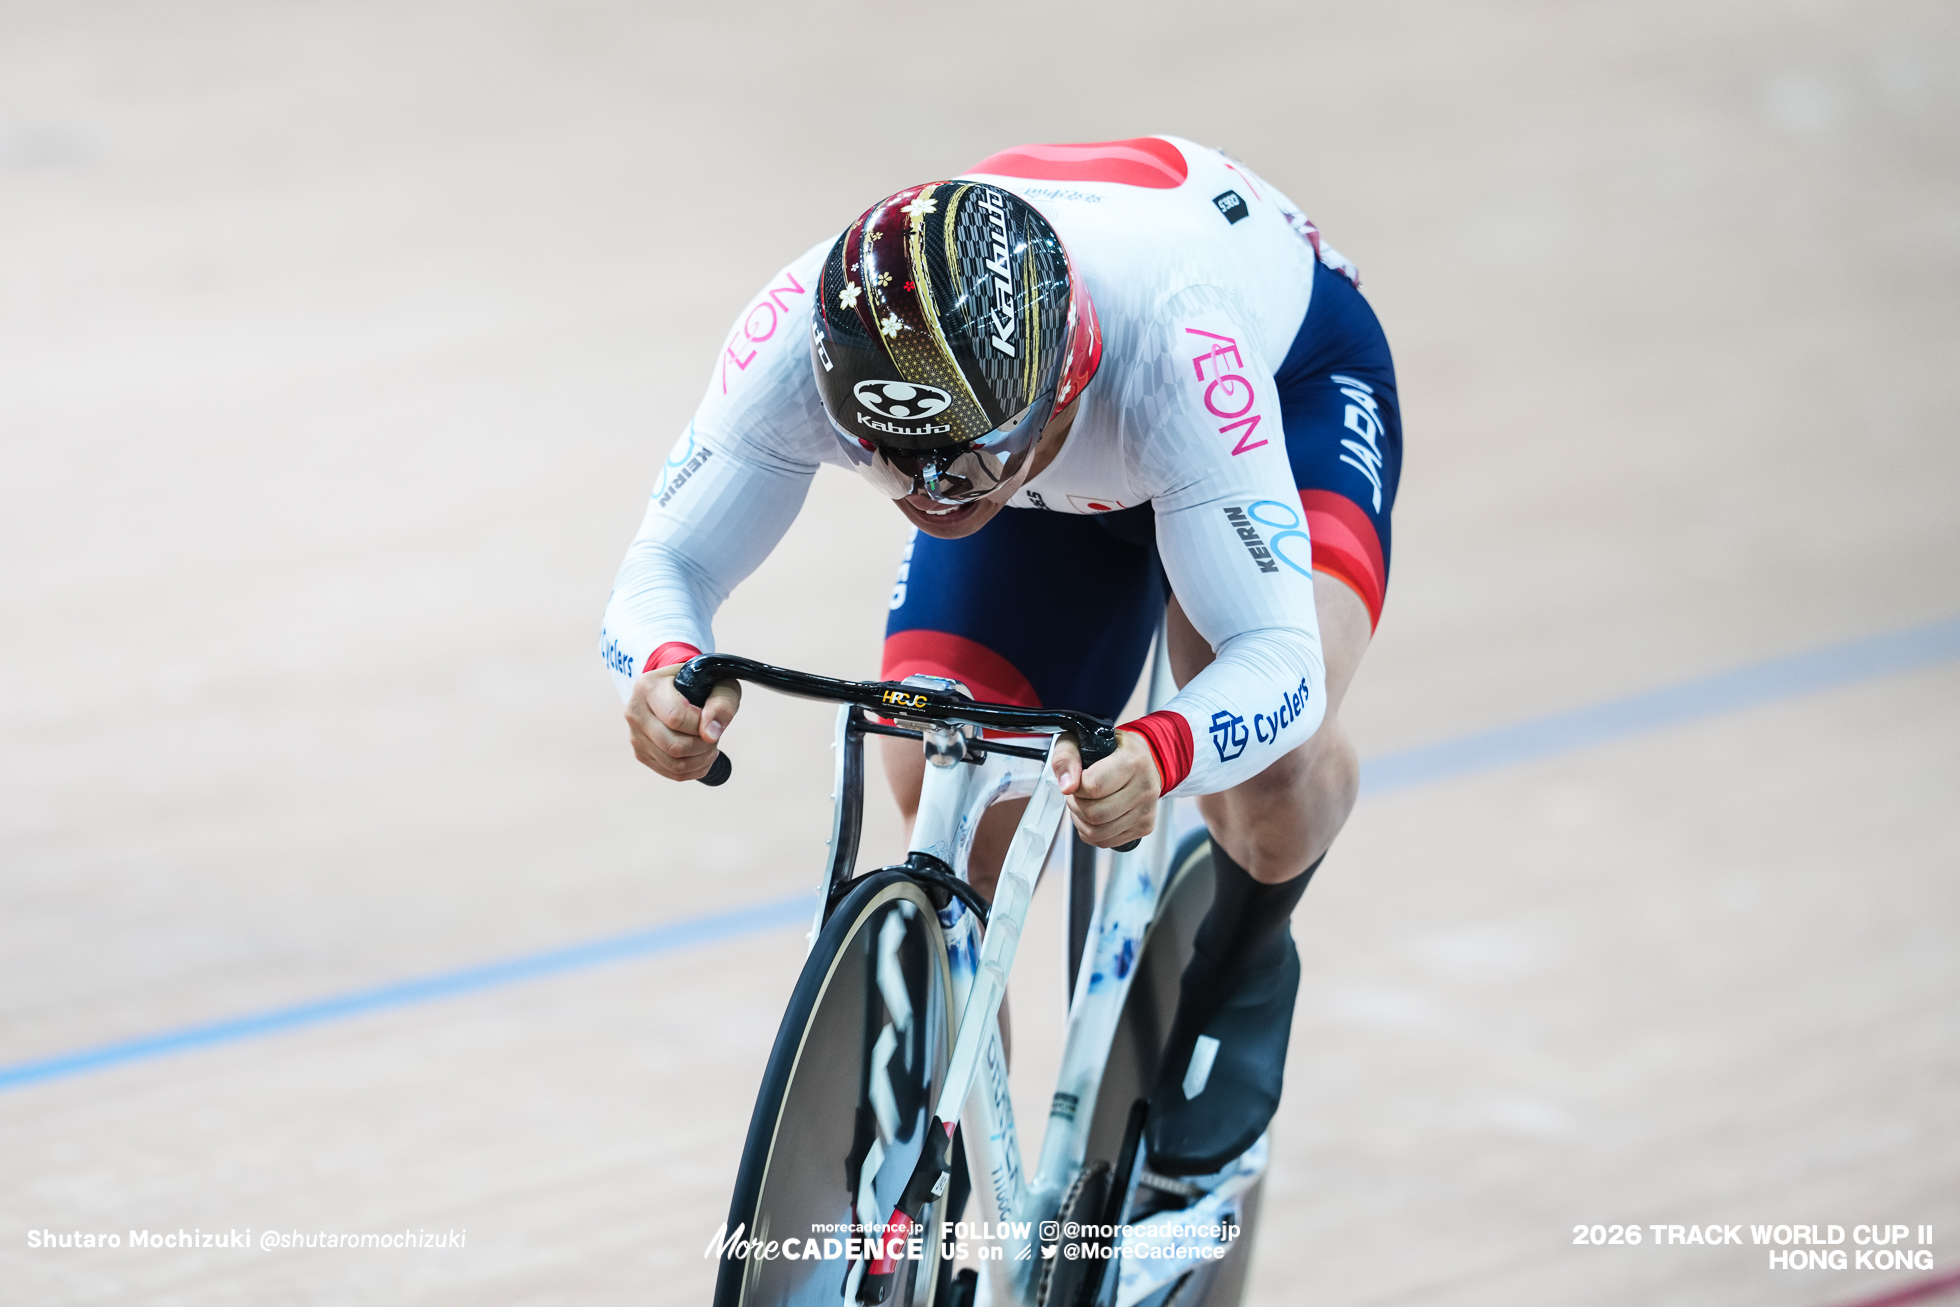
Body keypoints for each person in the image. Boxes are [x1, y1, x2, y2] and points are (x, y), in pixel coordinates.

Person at [601, 136, 1401, 1178]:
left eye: (966, 464)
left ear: (1060, 387)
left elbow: (1275, 658)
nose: (932, 498)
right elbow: (668, 554)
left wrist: (1162, 748)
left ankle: (1244, 958)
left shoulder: (1175, 342)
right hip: (1048, 454)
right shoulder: (804, 336)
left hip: (1278, 387)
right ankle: (937, 1160)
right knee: (941, 776)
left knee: (1266, 759)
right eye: (887, 462)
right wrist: (663, 662)